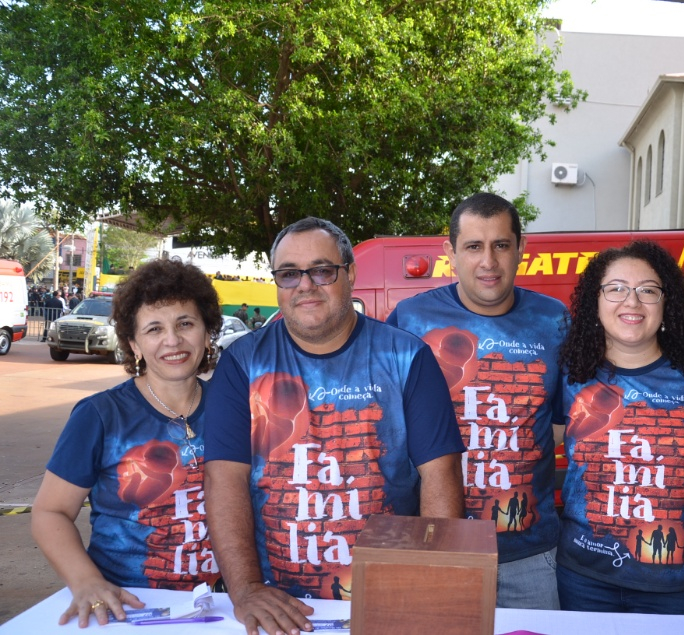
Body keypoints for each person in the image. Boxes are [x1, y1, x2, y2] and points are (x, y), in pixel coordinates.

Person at [204, 217, 465, 635]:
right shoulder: (241, 363)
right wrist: (247, 588)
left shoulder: (406, 356)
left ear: (351, 274)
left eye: (322, 270)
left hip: (388, 597)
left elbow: (440, 476)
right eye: (289, 274)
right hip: (277, 603)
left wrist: (429, 582)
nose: (305, 285)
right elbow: (224, 482)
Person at [386, 192, 566, 609]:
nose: (488, 261)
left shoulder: (555, 320)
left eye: (501, 245)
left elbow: (561, 420)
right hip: (437, 547)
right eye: (473, 246)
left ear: (521, 248)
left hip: (532, 555)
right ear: (450, 252)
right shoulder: (410, 319)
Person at [31, 259, 223, 628]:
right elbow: (49, 513)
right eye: (154, 328)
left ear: (207, 332)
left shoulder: (234, 409)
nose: (173, 340)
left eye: (186, 323)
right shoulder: (100, 416)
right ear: (134, 343)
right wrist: (86, 582)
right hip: (128, 605)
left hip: (220, 606)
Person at [555, 240, 684, 615]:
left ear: (667, 304)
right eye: (616, 289)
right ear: (595, 303)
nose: (632, 302)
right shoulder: (569, 375)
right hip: (584, 576)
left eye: (648, 290)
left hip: (674, 582)